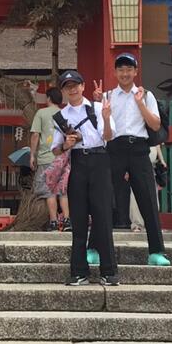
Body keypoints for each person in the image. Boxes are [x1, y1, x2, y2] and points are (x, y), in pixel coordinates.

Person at [95, 53, 170, 267]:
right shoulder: (107, 96)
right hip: (114, 148)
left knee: (148, 200)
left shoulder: (146, 95)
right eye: (121, 69)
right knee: (103, 198)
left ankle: (156, 252)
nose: (125, 73)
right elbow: (103, 132)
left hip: (139, 148)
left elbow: (155, 125)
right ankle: (95, 248)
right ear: (115, 72)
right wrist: (100, 105)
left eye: (129, 69)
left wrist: (140, 104)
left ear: (136, 72)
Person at [52, 70, 117, 287]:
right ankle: (79, 271)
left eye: (75, 85)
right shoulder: (61, 116)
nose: (72, 89)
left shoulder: (97, 108)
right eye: (67, 86)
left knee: (103, 217)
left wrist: (106, 118)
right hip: (78, 163)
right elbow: (55, 149)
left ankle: (109, 271)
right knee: (78, 219)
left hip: (99, 161)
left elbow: (108, 137)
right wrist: (66, 145)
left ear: (83, 86)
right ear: (63, 91)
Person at [30, 86, 70, 232]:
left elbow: (35, 134)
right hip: (63, 158)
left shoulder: (41, 113)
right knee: (63, 191)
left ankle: (53, 221)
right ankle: (67, 220)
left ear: (48, 98)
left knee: (49, 191)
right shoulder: (65, 113)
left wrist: (32, 154)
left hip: (46, 157)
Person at [129, 145, 166, 232]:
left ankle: (153, 224)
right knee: (135, 195)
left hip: (151, 164)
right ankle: (137, 224)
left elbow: (157, 143)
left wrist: (161, 159)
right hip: (136, 161)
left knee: (152, 195)